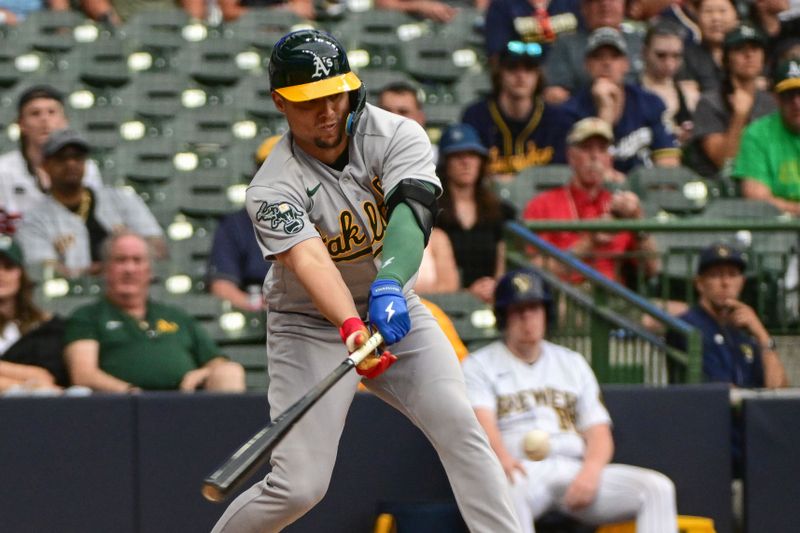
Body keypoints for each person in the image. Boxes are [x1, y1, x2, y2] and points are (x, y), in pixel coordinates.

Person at [210, 29, 521, 533]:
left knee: (460, 424)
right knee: (299, 487)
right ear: (280, 103)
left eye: (335, 93)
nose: (327, 110)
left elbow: (411, 214)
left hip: (394, 301)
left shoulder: (397, 134)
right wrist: (351, 323)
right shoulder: (271, 186)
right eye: (309, 101)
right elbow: (310, 261)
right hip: (310, 322)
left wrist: (391, 284)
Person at [462, 268, 678, 532]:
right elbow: (482, 425)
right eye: (518, 310)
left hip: (572, 468)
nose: (527, 317)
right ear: (504, 316)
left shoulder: (571, 362)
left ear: (546, 313)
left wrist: (591, 471)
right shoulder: (479, 364)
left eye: (534, 308)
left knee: (656, 488)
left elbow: (598, 431)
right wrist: (503, 462)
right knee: (507, 494)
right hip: (519, 471)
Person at [63, 231, 245, 392]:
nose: (129, 269)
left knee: (230, 371)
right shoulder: (88, 316)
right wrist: (131, 393)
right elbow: (83, 374)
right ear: (105, 268)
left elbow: (217, 361)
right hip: (121, 407)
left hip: (187, 405)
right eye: (120, 260)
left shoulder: (176, 316)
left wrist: (202, 373)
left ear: (149, 270)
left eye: (137, 260)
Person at [665, 243, 788, 478]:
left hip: (749, 433)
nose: (725, 283)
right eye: (716, 275)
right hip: (708, 435)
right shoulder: (687, 326)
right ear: (699, 284)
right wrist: (757, 401)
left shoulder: (744, 334)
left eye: (732, 275)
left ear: (742, 282)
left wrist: (762, 335)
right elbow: (718, 392)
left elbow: (778, 391)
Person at [523, 117, 660, 284]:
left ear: (609, 159)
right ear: (571, 155)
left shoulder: (619, 205)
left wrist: (638, 222)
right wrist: (589, 242)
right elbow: (533, 270)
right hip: (564, 295)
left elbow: (652, 269)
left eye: (602, 149)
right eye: (586, 148)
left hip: (614, 298)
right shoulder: (542, 205)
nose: (595, 156)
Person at [16, 129, 166, 279]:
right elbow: (43, 271)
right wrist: (103, 270)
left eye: (77, 157)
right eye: (61, 158)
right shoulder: (33, 220)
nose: (71, 163)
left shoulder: (122, 199)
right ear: (45, 165)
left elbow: (157, 248)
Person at [559, 27, 682, 172]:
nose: (606, 63)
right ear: (587, 65)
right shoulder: (570, 111)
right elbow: (586, 172)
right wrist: (605, 112)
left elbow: (669, 163)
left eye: (614, 56)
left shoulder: (650, 102)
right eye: (598, 56)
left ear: (626, 64)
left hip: (644, 189)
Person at [462, 40, 570, 178]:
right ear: (500, 74)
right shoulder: (476, 117)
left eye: (529, 69)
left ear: (538, 75)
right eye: (512, 68)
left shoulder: (558, 120)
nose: (521, 76)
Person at [435, 123, 516, 303]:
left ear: (481, 161)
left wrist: (496, 285)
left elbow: (504, 257)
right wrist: (465, 292)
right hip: (447, 300)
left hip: (492, 298)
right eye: (457, 156)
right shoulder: (431, 211)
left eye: (472, 155)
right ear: (445, 162)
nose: (466, 162)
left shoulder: (500, 211)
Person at [685, 23, 776, 178]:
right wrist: (739, 116)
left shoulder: (772, 103)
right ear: (726, 59)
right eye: (740, 49)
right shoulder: (709, 102)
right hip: (721, 188)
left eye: (755, 49)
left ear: (764, 58)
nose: (749, 55)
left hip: (763, 180)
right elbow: (724, 162)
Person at [0, 85, 103, 217]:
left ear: (65, 121)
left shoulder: (87, 168)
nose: (44, 119)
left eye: (52, 112)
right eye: (35, 113)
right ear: (21, 124)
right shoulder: (2, 170)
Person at [207, 136, 277, 312]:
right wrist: (255, 304)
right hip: (261, 316)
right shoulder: (237, 225)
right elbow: (222, 285)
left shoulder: (325, 216)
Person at [0, 234, 69, 395]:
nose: (1, 274)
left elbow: (45, 377)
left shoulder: (44, 326)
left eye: (8, 267)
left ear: (21, 274)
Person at [732, 57, 800, 214]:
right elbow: (756, 199)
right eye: (789, 95)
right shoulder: (757, 133)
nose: (797, 102)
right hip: (777, 229)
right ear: (776, 99)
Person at [542, 0, 645, 104]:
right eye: (596, 1)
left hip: (635, 109)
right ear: (583, 8)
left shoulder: (640, 41)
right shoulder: (566, 44)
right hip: (581, 111)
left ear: (624, 4)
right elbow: (555, 91)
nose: (605, 4)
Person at [639, 21, 699, 146]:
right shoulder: (631, 94)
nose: (669, 63)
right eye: (661, 55)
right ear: (644, 53)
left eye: (676, 56)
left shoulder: (690, 94)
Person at [483, 0, 581, 60]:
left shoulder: (574, 3)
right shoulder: (503, 5)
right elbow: (496, 53)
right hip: (525, 72)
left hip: (571, 79)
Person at [679, 0, 740, 94]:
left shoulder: (749, 54)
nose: (716, 18)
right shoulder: (685, 56)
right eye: (708, 11)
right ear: (696, 17)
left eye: (722, 11)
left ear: (736, 16)